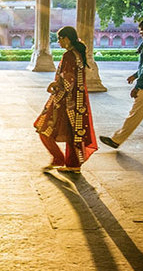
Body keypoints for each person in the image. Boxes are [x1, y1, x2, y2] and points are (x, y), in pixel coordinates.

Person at [99, 17, 143, 157]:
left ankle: (116, 140)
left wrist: (138, 86)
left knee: (135, 115)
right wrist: (135, 75)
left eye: (142, 30)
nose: (141, 33)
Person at [34, 26, 99, 172]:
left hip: (65, 100)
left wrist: (56, 89)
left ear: (67, 38)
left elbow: (69, 81)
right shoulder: (77, 54)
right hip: (77, 101)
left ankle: (58, 158)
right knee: (72, 132)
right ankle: (73, 164)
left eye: (60, 39)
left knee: (43, 128)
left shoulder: (69, 55)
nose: (59, 42)